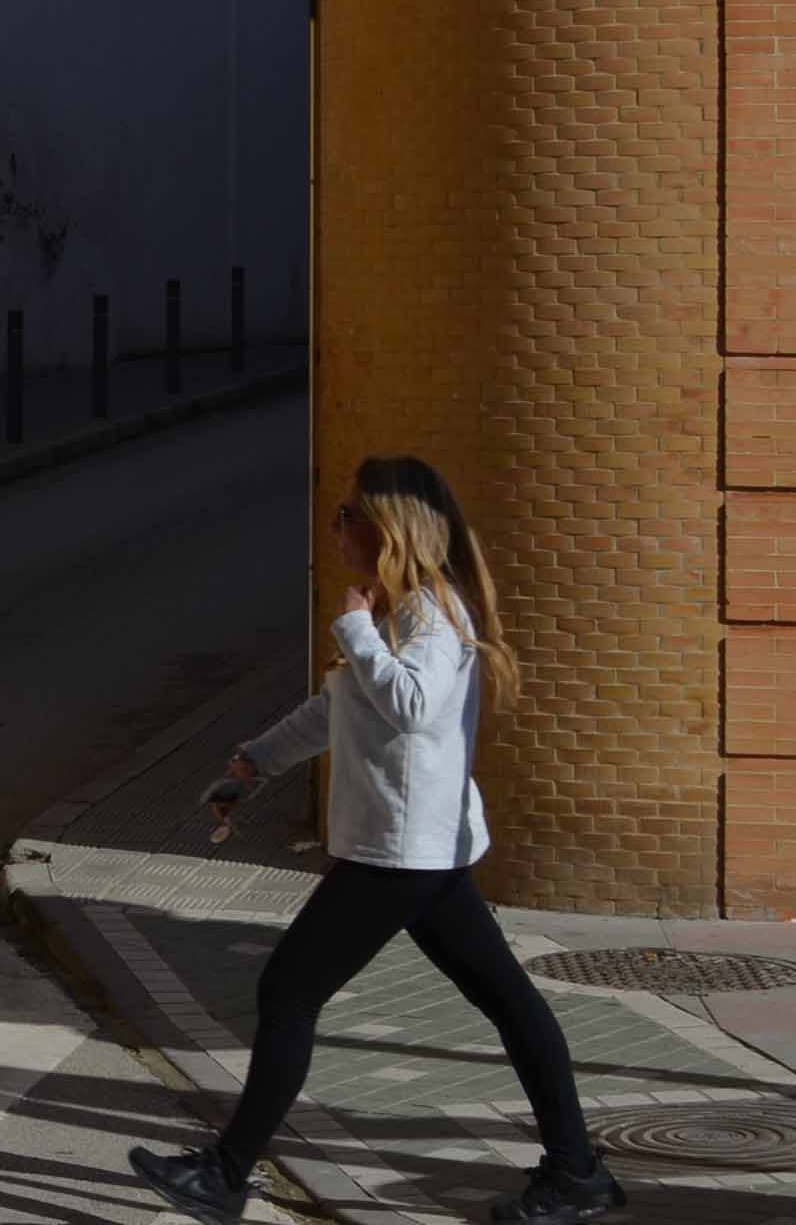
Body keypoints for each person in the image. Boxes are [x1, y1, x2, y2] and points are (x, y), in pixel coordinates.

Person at [129, 458, 621, 1225]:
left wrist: (354, 623)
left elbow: (414, 707)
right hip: (417, 850)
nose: (337, 528)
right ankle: (578, 1175)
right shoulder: (401, 613)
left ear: (391, 528)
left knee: (287, 993)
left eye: (348, 514)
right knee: (510, 1002)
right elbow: (338, 711)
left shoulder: (430, 612)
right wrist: (253, 762)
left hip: (399, 852)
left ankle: (225, 1175)